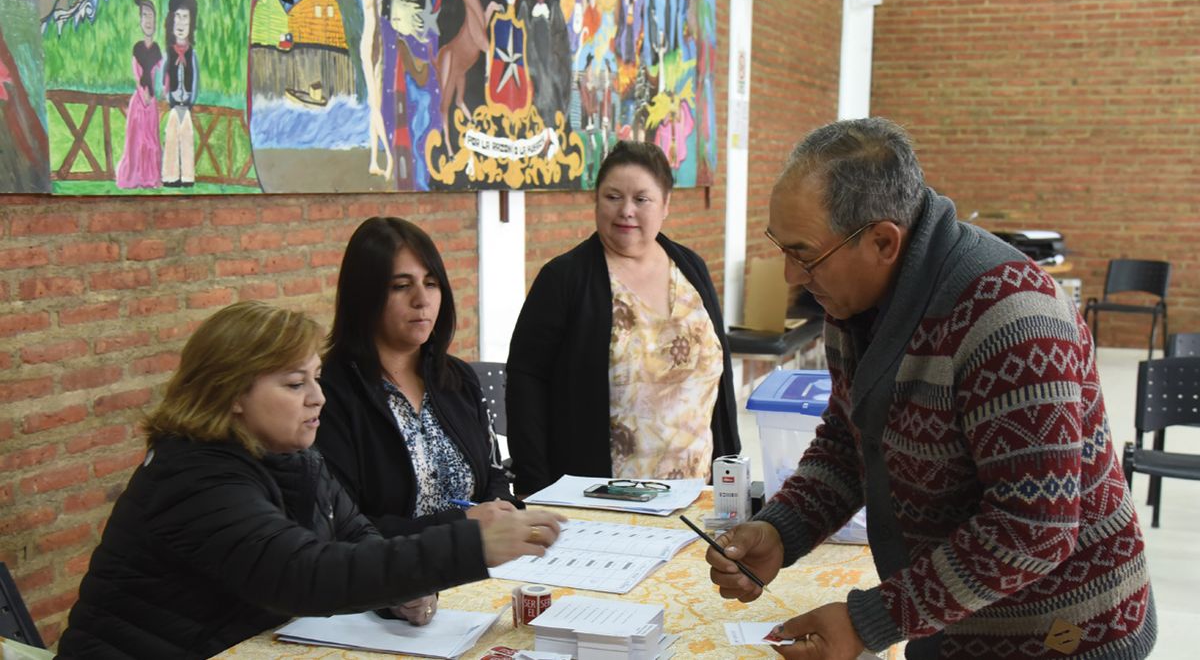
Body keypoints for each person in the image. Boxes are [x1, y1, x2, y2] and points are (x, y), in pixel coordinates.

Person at [705, 118, 1155, 659]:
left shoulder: (1010, 316)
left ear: (883, 241)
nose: (790, 276)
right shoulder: (851, 303)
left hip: (1064, 633)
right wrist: (781, 530)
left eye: (804, 254)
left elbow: (1035, 526)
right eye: (782, 247)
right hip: (952, 620)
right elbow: (851, 443)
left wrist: (869, 621)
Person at [57, 301, 564, 659]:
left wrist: (402, 590)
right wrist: (470, 545)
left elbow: (357, 537)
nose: (318, 398)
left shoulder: (290, 454)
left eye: (316, 378)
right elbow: (306, 575)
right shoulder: (194, 476)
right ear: (231, 393)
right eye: (295, 384)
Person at [507, 140, 739, 495]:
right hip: (602, 496)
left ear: (665, 205)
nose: (626, 211)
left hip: (695, 491)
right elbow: (527, 381)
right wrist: (534, 486)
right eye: (613, 197)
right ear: (596, 201)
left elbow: (720, 384)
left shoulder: (691, 268)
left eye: (641, 199)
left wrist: (730, 473)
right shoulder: (564, 278)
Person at [317, 217, 519, 541]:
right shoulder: (329, 394)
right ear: (363, 296)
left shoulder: (458, 378)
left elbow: (493, 474)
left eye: (431, 283)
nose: (422, 300)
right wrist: (462, 523)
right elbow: (345, 530)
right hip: (391, 581)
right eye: (401, 286)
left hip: (480, 568)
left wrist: (503, 510)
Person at [114, 0, 162, 189]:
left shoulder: (158, 50)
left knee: (151, 141)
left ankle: (150, 177)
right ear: (140, 20)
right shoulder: (137, 49)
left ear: (156, 21)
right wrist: (143, 96)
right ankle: (133, 177)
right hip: (139, 103)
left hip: (151, 104)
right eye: (144, 16)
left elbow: (158, 77)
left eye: (151, 17)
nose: (148, 21)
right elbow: (136, 75)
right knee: (135, 142)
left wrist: (152, 96)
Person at [161, 0, 197, 188]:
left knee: (188, 139)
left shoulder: (192, 54)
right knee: (172, 138)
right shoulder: (169, 53)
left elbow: (196, 78)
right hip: (174, 105)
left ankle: (188, 177)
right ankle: (170, 176)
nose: (181, 23)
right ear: (171, 21)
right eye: (178, 17)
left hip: (187, 104)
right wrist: (167, 96)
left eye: (185, 18)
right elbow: (163, 76)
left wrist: (192, 99)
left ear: (191, 23)